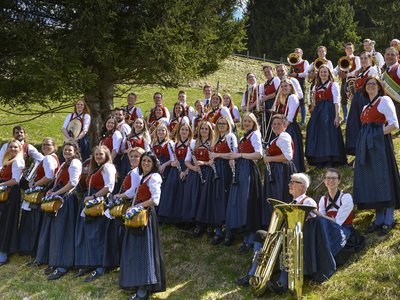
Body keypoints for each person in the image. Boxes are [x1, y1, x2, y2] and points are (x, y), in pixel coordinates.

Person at [235, 172, 317, 287]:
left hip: (297, 238)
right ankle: (252, 274)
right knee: (260, 235)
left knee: (285, 244)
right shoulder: (291, 202)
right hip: (284, 235)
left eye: (292, 182)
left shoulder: (309, 202)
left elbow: (311, 223)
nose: (289, 185)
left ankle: (282, 283)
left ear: (302, 186)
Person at [353, 76, 400, 236]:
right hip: (367, 148)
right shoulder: (365, 106)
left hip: (380, 146)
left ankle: (389, 219)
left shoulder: (384, 101)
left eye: (374, 84)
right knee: (373, 181)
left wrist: (377, 134)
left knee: (383, 179)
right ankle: (379, 219)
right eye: (368, 84)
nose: (371, 86)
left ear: (379, 87)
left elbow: (394, 124)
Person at [119, 152, 166, 299]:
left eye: (148, 161)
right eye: (143, 160)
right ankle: (138, 282)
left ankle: (144, 288)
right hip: (138, 215)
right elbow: (133, 192)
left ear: (153, 164)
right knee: (136, 250)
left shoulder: (155, 177)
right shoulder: (142, 177)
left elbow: (155, 200)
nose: (145, 163)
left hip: (145, 217)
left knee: (145, 251)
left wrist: (137, 207)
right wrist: (118, 196)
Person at [74, 146, 118, 282]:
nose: (98, 156)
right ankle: (92, 262)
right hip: (91, 203)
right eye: (96, 154)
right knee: (91, 234)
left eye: (101, 154)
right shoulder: (96, 169)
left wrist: (93, 197)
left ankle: (101, 265)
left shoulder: (107, 168)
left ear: (106, 155)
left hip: (101, 204)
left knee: (99, 234)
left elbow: (109, 187)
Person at [225, 113, 263, 254]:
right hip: (241, 170)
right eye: (245, 121)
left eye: (249, 121)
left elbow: (259, 154)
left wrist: (240, 155)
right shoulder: (243, 137)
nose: (246, 123)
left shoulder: (255, 135)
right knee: (240, 201)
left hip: (248, 171)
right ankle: (245, 237)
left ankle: (250, 239)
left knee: (248, 202)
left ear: (253, 123)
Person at [44, 142, 82, 280]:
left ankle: (63, 265)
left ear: (75, 151)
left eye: (69, 150)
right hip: (60, 196)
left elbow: (73, 183)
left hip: (67, 199)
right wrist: (52, 190)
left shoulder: (75, 163)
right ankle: (56, 261)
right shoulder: (65, 163)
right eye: (65, 150)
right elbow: (59, 180)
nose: (66, 152)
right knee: (57, 230)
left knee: (65, 230)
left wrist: (57, 193)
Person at [20, 138, 60, 263]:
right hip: (44, 192)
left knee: (35, 222)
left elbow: (49, 176)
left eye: (48, 145)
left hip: (41, 193)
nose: (45, 147)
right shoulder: (53, 158)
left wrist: (35, 184)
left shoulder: (48, 158)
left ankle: (32, 249)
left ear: (54, 146)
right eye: (43, 145)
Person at [316, 168, 365, 266]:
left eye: (334, 178)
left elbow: (337, 222)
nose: (331, 181)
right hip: (328, 232)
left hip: (344, 231)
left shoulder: (346, 197)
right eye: (328, 178)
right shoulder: (323, 200)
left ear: (339, 181)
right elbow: (322, 222)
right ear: (324, 181)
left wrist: (318, 214)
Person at [305, 65, 347, 167]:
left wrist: (337, 116)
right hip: (318, 113)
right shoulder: (316, 87)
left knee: (329, 135)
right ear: (318, 74)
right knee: (317, 134)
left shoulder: (333, 85)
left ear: (328, 73)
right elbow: (314, 102)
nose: (323, 74)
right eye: (321, 72)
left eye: (325, 72)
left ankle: (331, 159)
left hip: (329, 111)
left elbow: (336, 101)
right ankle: (320, 158)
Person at [262, 114, 297, 227]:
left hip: (281, 171)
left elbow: (288, 156)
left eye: (279, 124)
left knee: (280, 197)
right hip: (277, 170)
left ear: (285, 125)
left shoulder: (284, 136)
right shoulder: (277, 138)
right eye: (274, 124)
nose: (276, 126)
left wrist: (269, 158)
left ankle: (281, 226)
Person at [209, 116, 237, 245]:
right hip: (217, 170)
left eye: (223, 124)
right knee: (216, 198)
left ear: (227, 125)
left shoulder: (230, 137)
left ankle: (229, 232)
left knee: (226, 199)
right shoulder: (216, 138)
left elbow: (233, 154)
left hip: (226, 170)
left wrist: (218, 155)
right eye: (219, 123)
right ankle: (218, 230)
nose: (221, 125)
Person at [183, 121, 214, 237]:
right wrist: (193, 168)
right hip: (195, 174)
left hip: (208, 173)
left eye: (206, 129)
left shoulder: (212, 143)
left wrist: (204, 163)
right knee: (196, 197)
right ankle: (198, 224)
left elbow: (213, 160)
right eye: (202, 128)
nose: (204, 131)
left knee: (207, 198)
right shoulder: (193, 143)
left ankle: (208, 223)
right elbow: (186, 161)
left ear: (210, 131)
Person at [345, 51, 379, 155]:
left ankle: (367, 152)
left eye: (365, 58)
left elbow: (373, 87)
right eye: (362, 58)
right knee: (356, 125)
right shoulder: (360, 73)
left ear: (370, 60)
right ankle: (359, 152)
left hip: (366, 100)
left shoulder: (372, 70)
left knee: (364, 125)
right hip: (357, 101)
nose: (363, 60)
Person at [157, 123, 192, 223]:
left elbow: (192, 160)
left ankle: (182, 218)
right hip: (175, 170)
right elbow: (172, 160)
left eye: (186, 130)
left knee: (184, 193)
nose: (184, 132)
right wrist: (173, 163)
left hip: (186, 169)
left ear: (189, 132)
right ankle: (168, 216)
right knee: (171, 191)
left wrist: (185, 172)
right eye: (182, 130)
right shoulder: (174, 144)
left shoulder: (191, 144)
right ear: (179, 131)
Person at [0, 140, 25, 266]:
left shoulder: (18, 162)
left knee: (7, 221)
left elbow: (15, 180)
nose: (13, 149)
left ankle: (3, 253)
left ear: (20, 148)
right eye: (11, 147)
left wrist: (1, 184)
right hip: (3, 193)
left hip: (11, 194)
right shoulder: (7, 161)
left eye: (16, 147)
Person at [272, 79, 305, 172]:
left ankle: (293, 171)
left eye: (286, 86)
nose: (283, 88)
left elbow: (290, 117)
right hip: (285, 127)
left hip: (290, 128)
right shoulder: (286, 99)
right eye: (282, 86)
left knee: (290, 151)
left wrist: (282, 130)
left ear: (291, 87)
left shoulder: (292, 97)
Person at [333, 42, 361, 123]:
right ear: (345, 50)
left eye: (350, 48)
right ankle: (346, 117)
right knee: (343, 98)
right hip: (344, 80)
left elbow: (358, 70)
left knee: (353, 98)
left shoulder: (356, 58)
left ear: (353, 49)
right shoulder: (342, 59)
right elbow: (336, 69)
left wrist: (347, 74)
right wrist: (332, 73)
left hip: (353, 80)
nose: (349, 49)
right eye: (347, 48)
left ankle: (355, 116)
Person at [120, 117, 151, 188]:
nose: (138, 125)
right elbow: (122, 149)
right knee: (126, 177)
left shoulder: (145, 136)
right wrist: (127, 151)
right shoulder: (128, 136)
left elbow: (147, 150)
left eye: (140, 123)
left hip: (139, 160)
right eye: (136, 123)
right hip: (127, 159)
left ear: (144, 125)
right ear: (134, 124)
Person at [258, 66, 281, 140]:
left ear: (272, 71)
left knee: (272, 124)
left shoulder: (276, 79)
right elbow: (262, 96)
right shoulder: (264, 84)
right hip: (266, 106)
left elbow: (278, 92)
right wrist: (260, 104)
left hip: (274, 104)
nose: (267, 73)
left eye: (268, 71)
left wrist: (267, 97)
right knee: (266, 125)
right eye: (265, 72)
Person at [381, 47, 400, 136]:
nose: (389, 56)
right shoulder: (385, 72)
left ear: (397, 56)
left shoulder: (399, 69)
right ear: (384, 56)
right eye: (388, 54)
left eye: (392, 54)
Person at [288, 48, 309, 125]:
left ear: (302, 53)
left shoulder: (305, 62)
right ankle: (294, 118)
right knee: (293, 100)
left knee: (302, 101)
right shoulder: (292, 62)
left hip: (301, 82)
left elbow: (306, 73)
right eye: (295, 52)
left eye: (298, 52)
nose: (297, 54)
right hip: (292, 82)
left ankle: (303, 121)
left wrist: (297, 74)